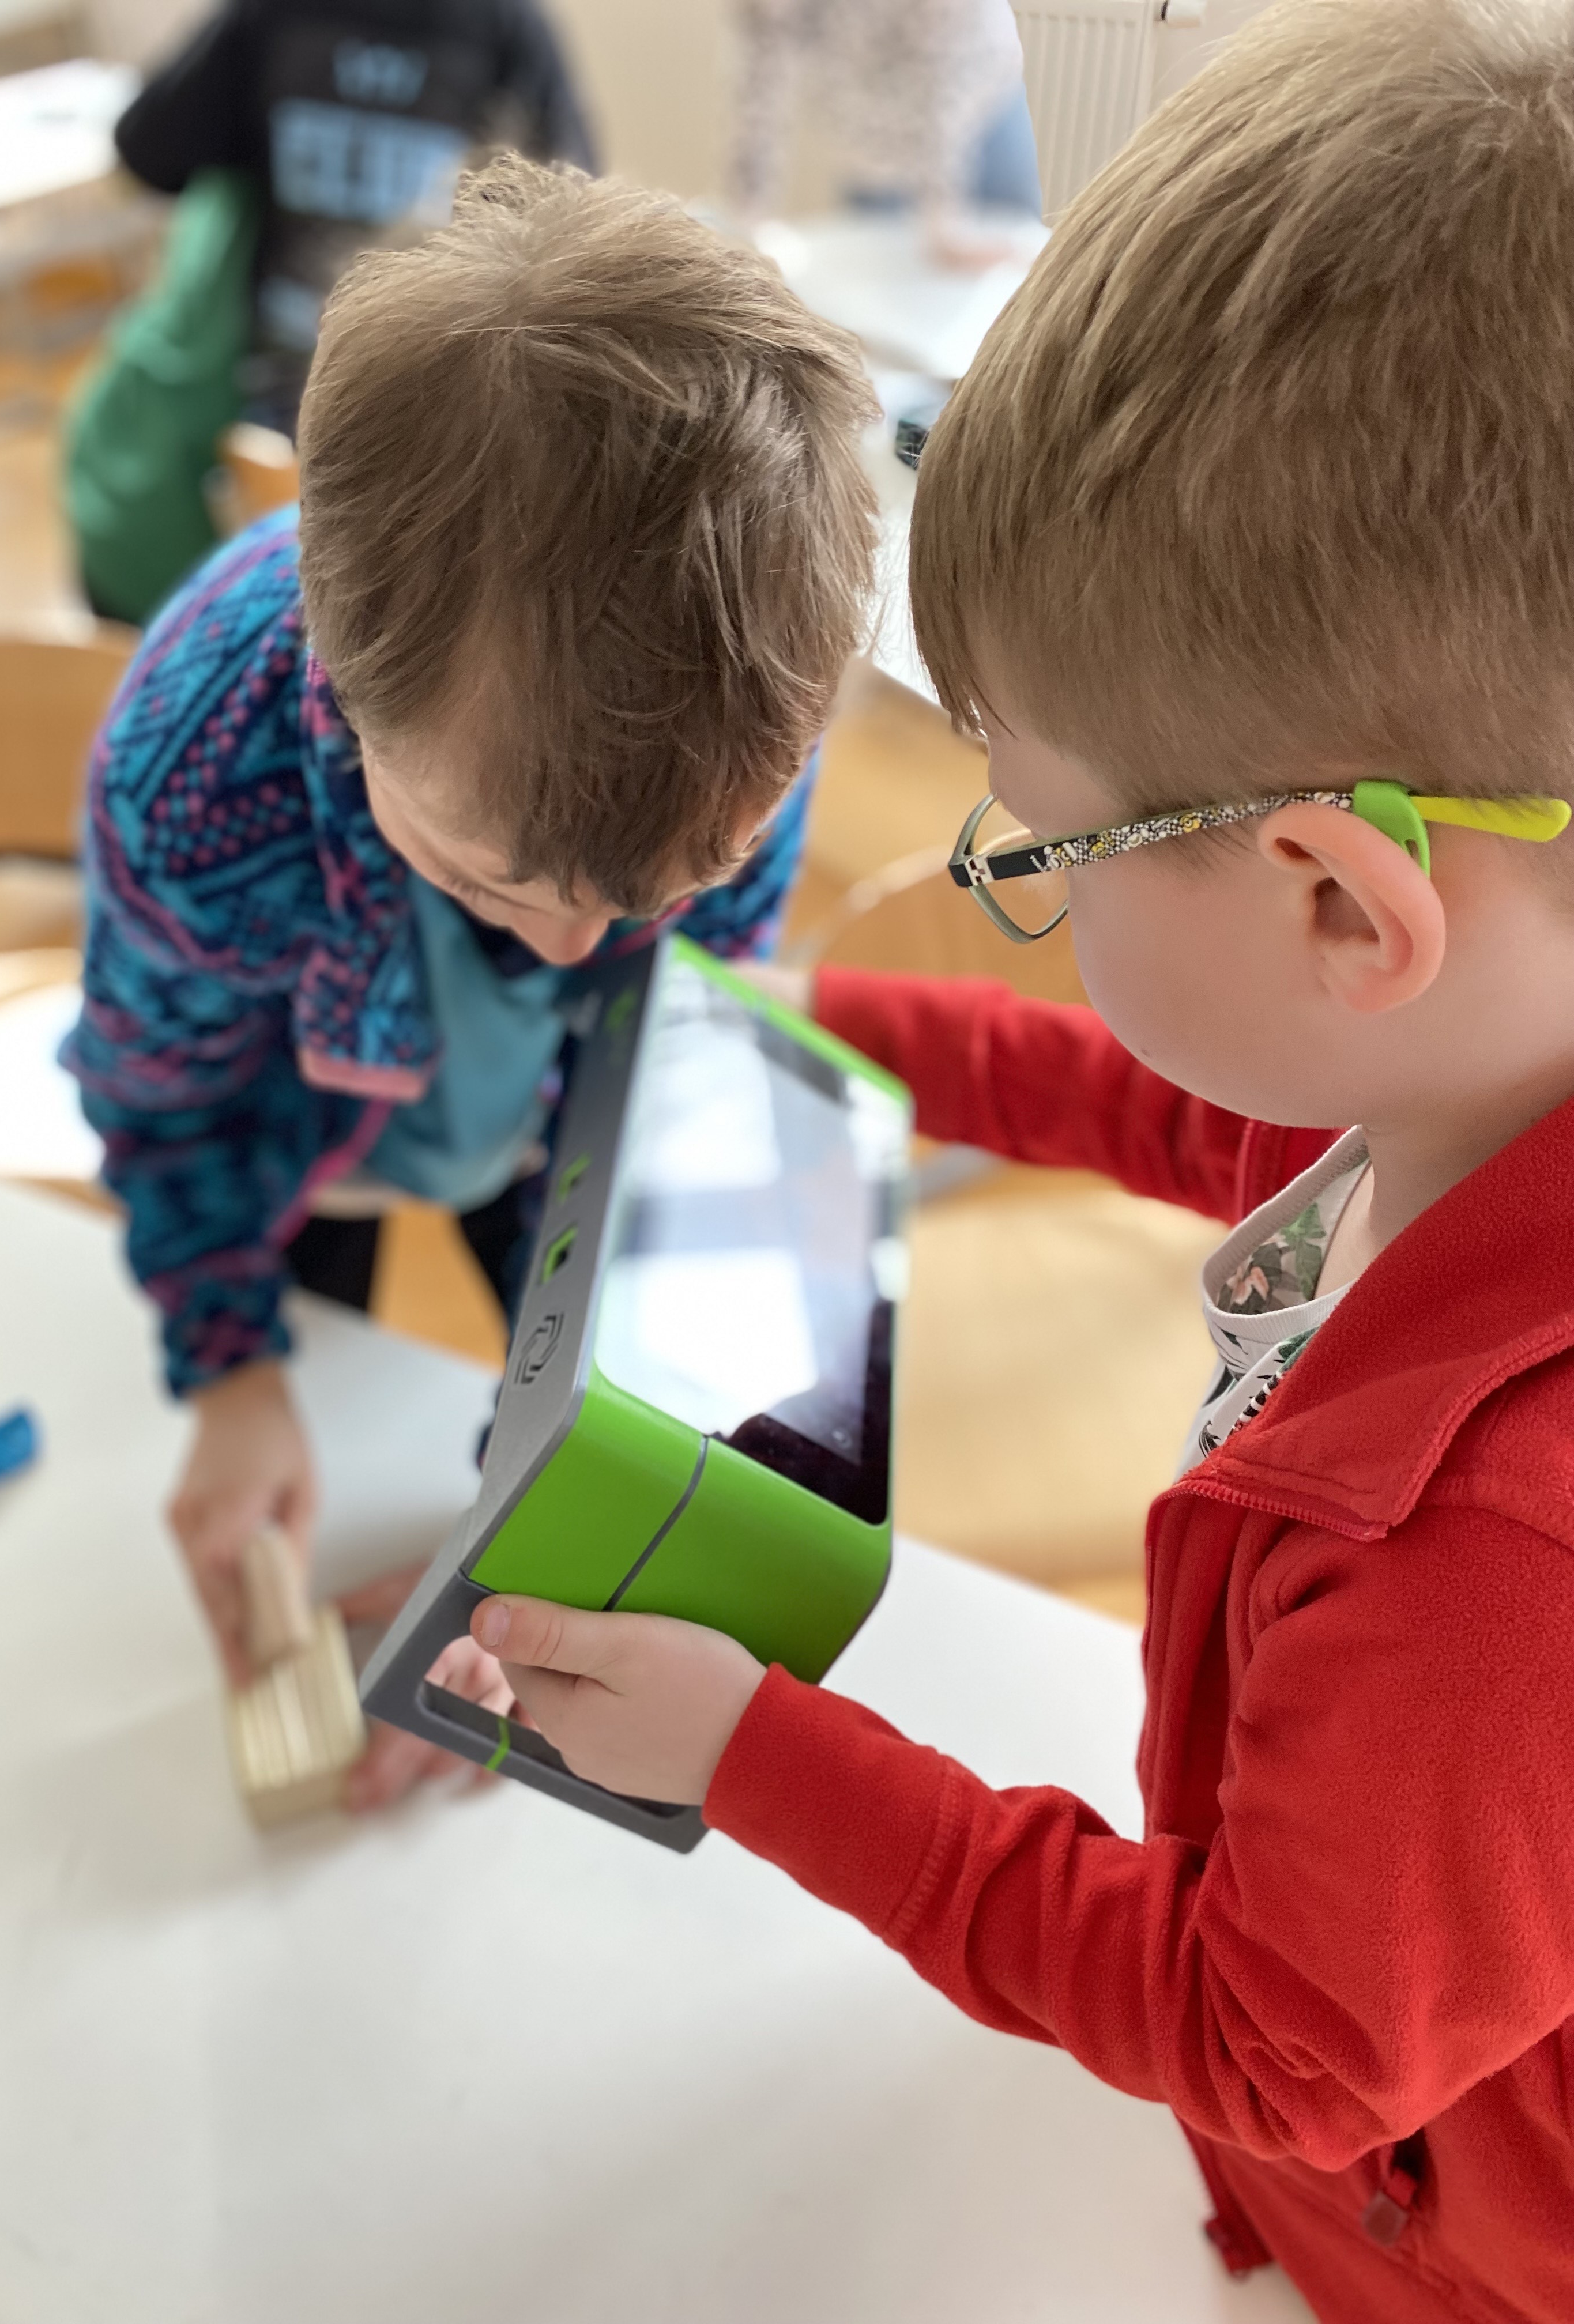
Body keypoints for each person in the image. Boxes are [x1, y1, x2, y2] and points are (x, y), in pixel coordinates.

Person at [458, 3, 1574, 2316]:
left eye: (1043, 849)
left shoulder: (1496, 1558)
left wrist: (761, 1756)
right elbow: (1208, 1114)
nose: (1021, 878)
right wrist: (836, 1026)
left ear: (1340, 907)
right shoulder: (1478, 1084)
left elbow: (1269, 2037)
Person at [63, 157, 878, 1808]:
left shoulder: (739, 733)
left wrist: (551, 1532)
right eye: (494, 882)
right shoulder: (188, 774)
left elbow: (668, 1108)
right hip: (299, 1134)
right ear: (342, 675)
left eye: (657, 893)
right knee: (325, 1379)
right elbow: (172, 1097)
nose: (574, 950)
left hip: (548, 1136)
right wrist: (232, 1364)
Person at [112, 0, 597, 429]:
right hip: (418, 380)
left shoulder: (273, 12)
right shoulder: (504, 21)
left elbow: (149, 151)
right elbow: (572, 194)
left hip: (342, 374)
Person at [728, 0, 1042, 267]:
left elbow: (943, 75)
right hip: (873, 146)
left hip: (983, 101)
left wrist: (943, 222)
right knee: (880, 286)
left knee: (1018, 275)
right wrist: (748, 223)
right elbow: (758, 90)